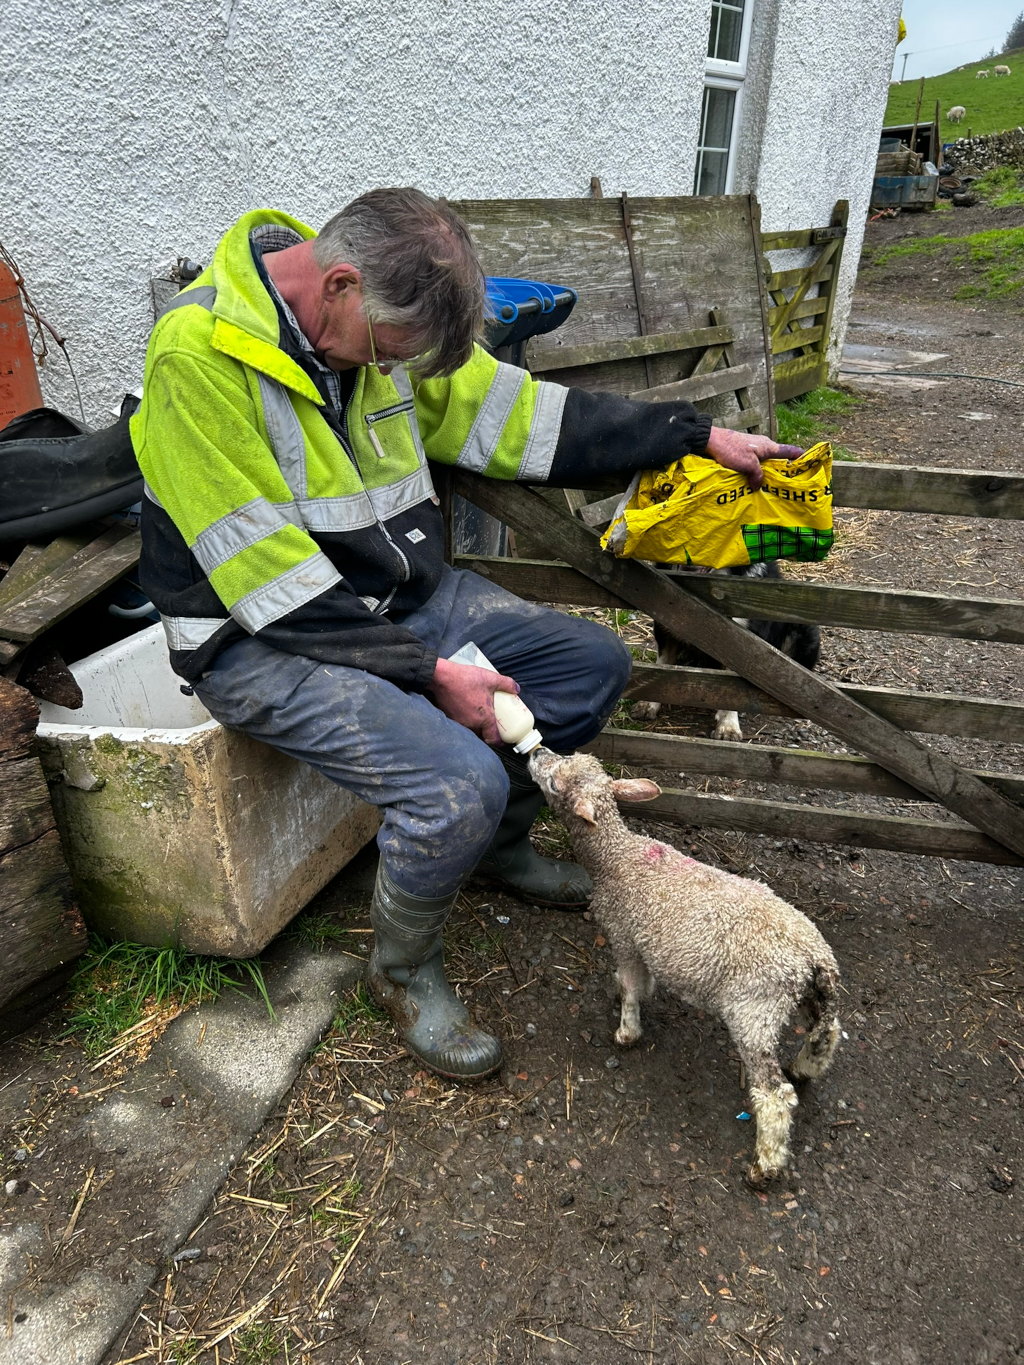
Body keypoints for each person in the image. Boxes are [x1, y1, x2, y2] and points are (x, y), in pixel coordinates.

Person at [131, 188, 801, 1083]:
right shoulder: (198, 358)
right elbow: (272, 587)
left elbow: (528, 418)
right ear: (337, 283)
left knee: (592, 665)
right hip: (258, 640)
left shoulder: (376, 324)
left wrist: (692, 435)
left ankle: (492, 849)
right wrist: (430, 672)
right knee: (457, 782)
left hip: (392, 605)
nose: (394, 369)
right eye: (389, 351)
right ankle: (401, 972)